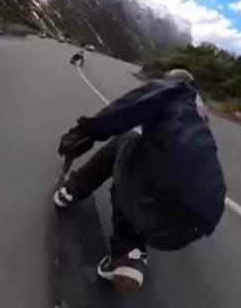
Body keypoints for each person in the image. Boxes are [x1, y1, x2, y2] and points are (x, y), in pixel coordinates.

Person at [54, 69, 225, 291]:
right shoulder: (201, 117)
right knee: (144, 175)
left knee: (127, 143)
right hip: (200, 222)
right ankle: (129, 256)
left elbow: (127, 109)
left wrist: (84, 131)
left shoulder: (175, 89)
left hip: (157, 195)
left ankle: (73, 190)